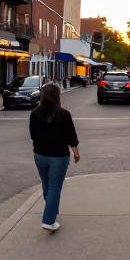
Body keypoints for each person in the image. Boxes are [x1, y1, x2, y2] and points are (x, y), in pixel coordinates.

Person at [29, 83, 80, 232]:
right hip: (58, 156)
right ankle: (48, 220)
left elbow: (32, 134)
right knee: (54, 187)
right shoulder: (64, 114)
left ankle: (52, 209)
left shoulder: (35, 113)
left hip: (39, 155)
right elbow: (71, 136)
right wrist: (76, 152)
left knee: (47, 184)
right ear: (58, 96)